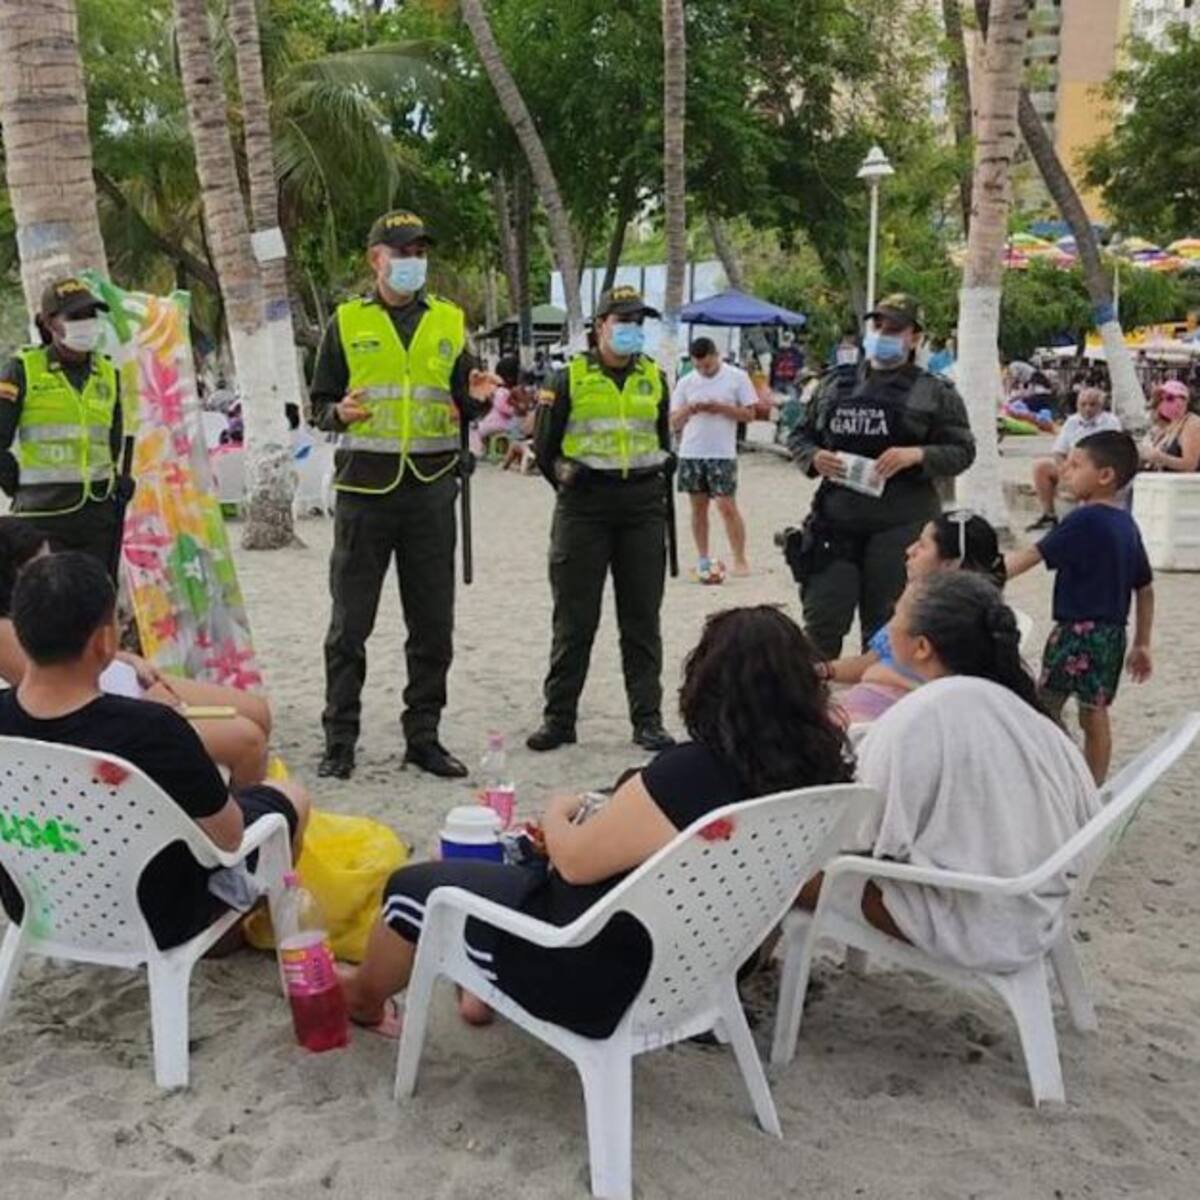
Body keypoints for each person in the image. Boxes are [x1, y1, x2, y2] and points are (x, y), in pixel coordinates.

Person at [340, 605, 852, 1039]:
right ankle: (476, 988)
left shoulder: (695, 773)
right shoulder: (818, 778)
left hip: (593, 978)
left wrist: (558, 812)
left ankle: (362, 1001)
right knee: (521, 864)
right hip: (710, 969)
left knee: (411, 889)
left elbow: (576, 863)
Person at [0, 552, 310, 951]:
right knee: (290, 798)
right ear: (104, 640)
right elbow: (230, 838)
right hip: (158, 917)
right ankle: (227, 938)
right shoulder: (153, 729)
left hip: (35, 904)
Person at [799, 571, 1099, 971]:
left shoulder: (923, 716)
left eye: (896, 616)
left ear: (922, 647)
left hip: (975, 921)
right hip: (1037, 903)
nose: (888, 625)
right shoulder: (1026, 709)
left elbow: (861, 832)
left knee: (786, 874)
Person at [309, 210, 500, 780]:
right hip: (364, 490)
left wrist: (479, 399)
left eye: (420, 252)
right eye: (402, 252)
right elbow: (319, 404)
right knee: (350, 627)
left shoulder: (449, 320)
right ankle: (340, 740)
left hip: (431, 491)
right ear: (377, 259)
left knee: (432, 625)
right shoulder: (346, 321)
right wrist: (336, 412)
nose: (414, 262)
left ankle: (423, 738)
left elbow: (464, 398)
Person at [0, 518, 273, 787]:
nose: (50, 573)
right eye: (37, 567)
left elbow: (70, 654)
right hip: (116, 711)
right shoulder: (12, 629)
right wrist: (147, 709)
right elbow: (60, 690)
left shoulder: (43, 608)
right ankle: (239, 805)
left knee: (258, 711)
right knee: (249, 741)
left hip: (123, 681)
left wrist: (127, 658)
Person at [527, 286, 675, 754]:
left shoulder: (655, 377)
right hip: (585, 508)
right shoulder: (567, 378)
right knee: (574, 621)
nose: (632, 329)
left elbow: (662, 439)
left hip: (643, 507)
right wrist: (569, 481)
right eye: (623, 321)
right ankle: (559, 719)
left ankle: (647, 720)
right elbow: (545, 449)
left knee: (642, 620)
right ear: (600, 326)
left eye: (638, 322)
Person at [788, 293, 976, 659]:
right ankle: (810, 693)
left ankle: (880, 695)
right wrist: (813, 456)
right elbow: (799, 434)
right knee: (821, 624)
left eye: (894, 329)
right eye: (877, 326)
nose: (882, 335)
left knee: (888, 631)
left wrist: (916, 455)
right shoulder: (835, 383)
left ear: (914, 337)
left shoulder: (933, 391)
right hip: (835, 525)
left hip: (900, 527)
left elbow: (962, 451)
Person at [1006, 431, 1154, 783]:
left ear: (1105, 475)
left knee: (1043, 705)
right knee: (1094, 714)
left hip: (1076, 632)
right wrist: (1142, 643)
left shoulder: (1084, 519)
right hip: (1112, 635)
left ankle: (1059, 770)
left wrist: (983, 576)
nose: (1064, 471)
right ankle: (1093, 786)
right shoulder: (1126, 523)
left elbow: (1032, 555)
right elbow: (1145, 588)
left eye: (1075, 465)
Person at [823, 512, 1006, 725]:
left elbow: (940, 690)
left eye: (923, 545)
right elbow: (873, 660)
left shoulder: (946, 622)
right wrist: (822, 670)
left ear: (950, 564)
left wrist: (878, 675)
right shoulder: (931, 603)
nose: (910, 550)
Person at [0, 277, 128, 571]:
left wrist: (115, 483)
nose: (86, 323)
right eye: (75, 316)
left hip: (97, 518)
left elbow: (111, 442)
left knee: (95, 595)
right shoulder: (22, 370)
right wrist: (13, 483)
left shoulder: (108, 373)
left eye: (91, 314)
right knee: (50, 595)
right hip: (42, 518)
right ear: (49, 323)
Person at [669, 336, 758, 582]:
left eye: (707, 365)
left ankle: (739, 557)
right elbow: (674, 420)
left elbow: (750, 414)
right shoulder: (686, 382)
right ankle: (703, 557)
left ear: (716, 356)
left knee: (726, 506)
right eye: (698, 366)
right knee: (698, 508)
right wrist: (691, 408)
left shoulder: (737, 377)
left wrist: (721, 408)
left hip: (722, 452)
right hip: (692, 451)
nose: (703, 371)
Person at [1026, 386, 1122, 531]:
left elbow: (1113, 453)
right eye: (1083, 405)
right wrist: (1065, 472)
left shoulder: (1110, 422)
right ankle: (1049, 515)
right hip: (1073, 466)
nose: (1087, 409)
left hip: (1096, 468)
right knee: (1041, 467)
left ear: (1101, 406)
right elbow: (1058, 452)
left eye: (1092, 405)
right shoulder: (1072, 421)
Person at [1141, 380, 1200, 473]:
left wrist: (1159, 457)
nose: (1164, 403)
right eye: (1161, 399)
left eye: (1169, 398)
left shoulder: (1191, 423)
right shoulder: (1168, 426)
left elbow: (1190, 465)